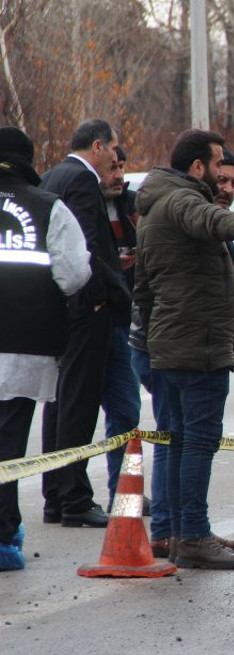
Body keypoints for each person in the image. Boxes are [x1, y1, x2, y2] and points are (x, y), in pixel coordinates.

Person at [133, 129, 234, 569]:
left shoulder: (160, 203)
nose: (223, 177)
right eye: (218, 167)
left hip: (174, 344)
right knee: (197, 441)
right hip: (196, 347)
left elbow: (148, 286)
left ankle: (178, 532)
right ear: (198, 167)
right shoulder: (182, 200)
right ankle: (192, 535)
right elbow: (212, 219)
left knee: (178, 440)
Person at [0, 126, 92, 571]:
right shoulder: (47, 207)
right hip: (24, 345)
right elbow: (75, 274)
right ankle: (2, 536)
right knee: (7, 444)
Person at [39, 118, 132, 528]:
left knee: (60, 403)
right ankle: (74, 498)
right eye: (112, 148)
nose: (115, 156)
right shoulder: (80, 180)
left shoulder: (52, 176)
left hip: (61, 307)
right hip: (85, 308)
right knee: (78, 404)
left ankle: (55, 495)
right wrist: (107, 296)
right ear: (97, 146)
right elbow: (84, 249)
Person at [97, 143, 144, 511]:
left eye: (121, 168)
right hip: (91, 322)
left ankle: (124, 494)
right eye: (111, 168)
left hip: (125, 321)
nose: (118, 176)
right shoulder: (87, 204)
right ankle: (66, 496)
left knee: (126, 411)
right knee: (72, 415)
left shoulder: (132, 206)